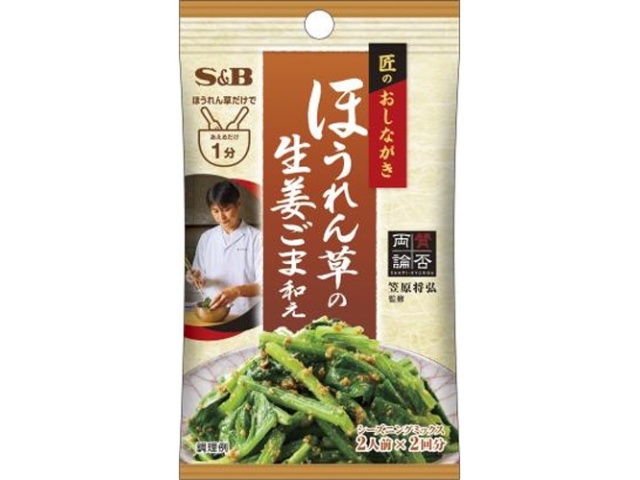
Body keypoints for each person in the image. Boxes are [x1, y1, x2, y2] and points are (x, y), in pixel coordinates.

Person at [186, 180, 262, 316]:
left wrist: (237, 291)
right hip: (212, 313)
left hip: (245, 314)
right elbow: (198, 276)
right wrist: (194, 279)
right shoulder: (206, 238)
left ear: (238, 204)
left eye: (226, 209)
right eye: (215, 211)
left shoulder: (257, 238)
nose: (221, 217)